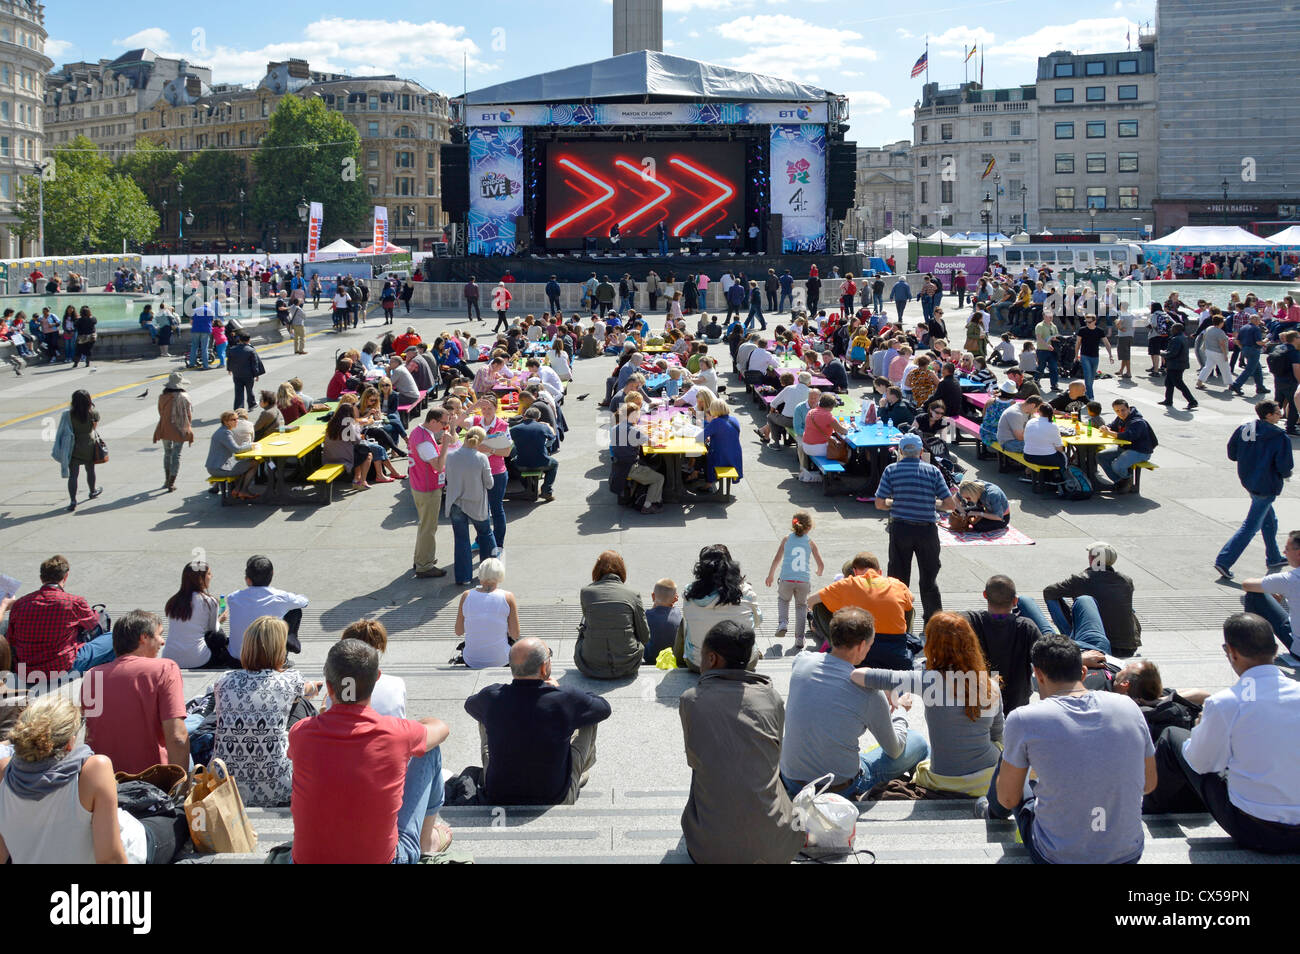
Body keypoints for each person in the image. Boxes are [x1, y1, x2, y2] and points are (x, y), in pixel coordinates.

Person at [978, 634, 1156, 864]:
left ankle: (991, 813)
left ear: (1038, 675)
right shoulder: (1128, 707)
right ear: (1083, 672)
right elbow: (1148, 784)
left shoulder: (1024, 719)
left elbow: (1009, 798)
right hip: (1127, 854)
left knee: (1012, 766)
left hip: (1056, 856)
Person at [1144, 613, 1300, 853]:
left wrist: (1200, 729)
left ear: (1231, 652)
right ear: (1276, 649)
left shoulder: (1225, 703)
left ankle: (1149, 809)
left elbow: (1200, 763)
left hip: (1258, 830)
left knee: (1172, 737)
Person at [288, 638, 452, 863]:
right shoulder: (397, 733)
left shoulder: (300, 733)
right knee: (429, 750)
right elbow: (441, 729)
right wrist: (417, 725)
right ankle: (426, 840)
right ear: (376, 678)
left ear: (328, 685)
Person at [0, 695, 187, 864]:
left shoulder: (5, 771)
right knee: (180, 817)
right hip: (130, 849)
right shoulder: (93, 769)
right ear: (70, 741)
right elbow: (110, 859)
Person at [679, 619, 804, 864]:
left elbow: (694, 759)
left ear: (712, 659)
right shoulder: (772, 697)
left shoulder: (691, 700)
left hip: (709, 854)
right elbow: (774, 755)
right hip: (777, 851)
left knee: (704, 769)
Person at [781, 606, 929, 800]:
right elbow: (894, 750)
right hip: (839, 788)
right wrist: (898, 707)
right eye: (870, 645)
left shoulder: (801, 662)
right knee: (917, 742)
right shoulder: (869, 695)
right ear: (861, 646)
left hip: (792, 780)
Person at [852, 612, 1003, 796]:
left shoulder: (929, 681)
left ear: (931, 645)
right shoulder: (990, 685)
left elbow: (858, 675)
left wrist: (891, 692)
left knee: (923, 747)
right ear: (971, 643)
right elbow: (998, 736)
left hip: (943, 778)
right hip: (986, 780)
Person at [464, 637, 611, 805]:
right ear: (543, 667)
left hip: (498, 794)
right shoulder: (565, 698)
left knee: (483, 713)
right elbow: (603, 708)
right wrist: (559, 691)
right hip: (556, 797)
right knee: (589, 715)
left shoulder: (491, 696)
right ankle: (577, 773)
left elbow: (469, 704)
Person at [212, 616, 321, 808]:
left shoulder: (223, 681)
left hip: (226, 786)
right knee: (302, 704)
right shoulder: (290, 680)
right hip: (276, 785)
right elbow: (309, 689)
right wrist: (315, 686)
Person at [81, 610, 188, 775]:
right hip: (152, 781)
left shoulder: (92, 675)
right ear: (144, 638)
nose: (162, 642)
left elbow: (91, 734)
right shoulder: (165, 668)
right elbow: (178, 737)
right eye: (159, 635)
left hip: (104, 780)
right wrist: (181, 788)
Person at [875, 434, 957, 623]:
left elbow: (879, 503)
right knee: (929, 579)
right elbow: (949, 504)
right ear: (921, 451)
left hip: (901, 529)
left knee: (898, 577)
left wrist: (895, 503)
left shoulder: (891, 470)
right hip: (927, 531)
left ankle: (896, 618)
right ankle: (934, 621)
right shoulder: (933, 471)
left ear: (900, 451)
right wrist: (930, 502)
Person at [1215, 402, 1292, 580]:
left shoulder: (1245, 428)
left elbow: (1232, 453)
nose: (1280, 414)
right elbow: (1284, 465)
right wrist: (1285, 474)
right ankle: (1224, 560)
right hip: (1267, 484)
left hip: (1249, 480)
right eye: (1277, 412)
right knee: (1250, 526)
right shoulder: (1279, 436)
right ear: (1269, 416)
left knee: (1269, 519)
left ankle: (1273, 557)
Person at [6, 555, 113, 678]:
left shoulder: (20, 604)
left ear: (41, 578)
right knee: (114, 637)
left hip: (27, 669)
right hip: (62, 667)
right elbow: (93, 625)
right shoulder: (73, 602)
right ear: (65, 576)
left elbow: (11, 639)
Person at [674, 544, 762, 672]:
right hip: (743, 664)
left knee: (685, 622)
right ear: (730, 566)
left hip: (699, 664)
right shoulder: (746, 592)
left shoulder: (690, 593)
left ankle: (679, 662)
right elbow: (758, 621)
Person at [1043, 541, 1140, 657]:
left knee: (1053, 596)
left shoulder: (1082, 579)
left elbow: (1049, 591)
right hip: (1128, 648)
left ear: (1092, 558)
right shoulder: (1126, 581)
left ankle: (1069, 638)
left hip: (1097, 647)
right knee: (1120, 602)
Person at [575, 550, 650, 679]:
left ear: (596, 569)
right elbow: (645, 635)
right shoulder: (632, 593)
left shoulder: (586, 592)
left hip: (590, 664)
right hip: (629, 664)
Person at [224, 555, 309, 659]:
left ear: (247, 579)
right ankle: (287, 648)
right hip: (269, 660)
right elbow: (304, 602)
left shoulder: (233, 597)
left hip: (237, 658)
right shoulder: (281, 597)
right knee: (295, 610)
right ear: (272, 574)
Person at [443, 426, 498, 586]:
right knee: (485, 535)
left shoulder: (451, 456)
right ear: (480, 442)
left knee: (461, 540)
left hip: (455, 503)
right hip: (476, 503)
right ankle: (488, 575)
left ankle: (463, 577)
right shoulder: (481, 458)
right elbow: (489, 484)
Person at [764, 511, 824, 649]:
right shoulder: (810, 542)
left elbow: (777, 558)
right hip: (803, 581)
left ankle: (783, 623)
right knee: (801, 607)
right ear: (809, 527)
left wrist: (771, 575)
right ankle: (799, 638)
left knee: (783, 600)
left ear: (793, 524)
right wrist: (819, 571)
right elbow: (820, 563)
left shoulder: (786, 539)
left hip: (786, 579)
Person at [162, 560, 236, 670]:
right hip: (198, 659)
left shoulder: (173, 601)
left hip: (170, 657)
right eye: (209, 574)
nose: (212, 576)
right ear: (201, 579)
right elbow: (213, 630)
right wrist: (219, 620)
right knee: (219, 637)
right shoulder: (209, 601)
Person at [1241, 530, 1300, 665]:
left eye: (1287, 549)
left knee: (1254, 594)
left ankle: (1251, 648)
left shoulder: (1291, 579)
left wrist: (1275, 594)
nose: (1284, 553)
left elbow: (1247, 584)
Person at [408, 407, 451, 579]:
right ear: (433, 421)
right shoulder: (424, 440)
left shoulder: (419, 431)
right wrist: (446, 445)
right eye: (444, 423)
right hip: (427, 488)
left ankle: (420, 558)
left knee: (424, 525)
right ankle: (425, 566)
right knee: (428, 527)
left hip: (419, 484)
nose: (445, 427)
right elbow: (438, 466)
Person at [455, 558, 519, 669]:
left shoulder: (466, 595)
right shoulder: (508, 597)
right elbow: (515, 634)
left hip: (471, 659)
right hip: (501, 659)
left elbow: (459, 631)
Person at [52, 389, 102, 512]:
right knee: (90, 469)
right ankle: (92, 491)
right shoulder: (93, 413)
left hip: (73, 446)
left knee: (73, 475)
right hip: (89, 445)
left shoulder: (68, 414)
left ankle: (73, 500)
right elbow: (94, 427)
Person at [1096, 399, 1158, 493]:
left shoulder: (1137, 422)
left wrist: (1108, 432)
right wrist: (1106, 427)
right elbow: (1112, 426)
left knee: (1117, 465)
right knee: (1100, 456)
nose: (1121, 413)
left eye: (1123, 410)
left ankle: (1127, 480)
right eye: (1117, 411)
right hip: (1124, 448)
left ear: (1128, 409)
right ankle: (1121, 481)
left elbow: (1127, 436)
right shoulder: (1120, 418)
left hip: (1140, 451)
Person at [152, 371, 194, 493]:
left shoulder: (162, 397)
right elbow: (189, 415)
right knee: (176, 454)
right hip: (180, 428)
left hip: (165, 427)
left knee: (167, 453)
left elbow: (160, 412)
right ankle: (172, 482)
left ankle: (166, 479)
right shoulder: (185, 397)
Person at [507, 406, 559, 502]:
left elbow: (508, 442)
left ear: (524, 416)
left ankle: (528, 487)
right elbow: (553, 438)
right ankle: (546, 490)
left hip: (521, 463)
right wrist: (549, 428)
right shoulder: (543, 427)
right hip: (542, 462)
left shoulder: (514, 429)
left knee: (512, 463)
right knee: (554, 464)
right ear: (538, 418)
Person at [206, 409, 258, 499]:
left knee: (244, 463)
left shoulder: (224, 430)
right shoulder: (225, 432)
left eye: (237, 419)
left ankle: (237, 490)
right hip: (219, 469)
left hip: (215, 466)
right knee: (254, 463)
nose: (236, 421)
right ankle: (243, 490)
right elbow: (237, 450)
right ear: (226, 422)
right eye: (233, 420)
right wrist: (251, 446)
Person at [1157, 323, 1198, 410]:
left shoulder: (1176, 339)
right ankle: (1168, 400)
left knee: (1179, 384)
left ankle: (1192, 401)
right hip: (1179, 364)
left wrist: (1162, 353)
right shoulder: (1182, 337)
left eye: (1172, 328)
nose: (1171, 329)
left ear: (1176, 330)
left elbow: (1172, 353)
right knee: (1169, 383)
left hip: (1176, 365)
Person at [644, 579, 681, 663]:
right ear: (675, 599)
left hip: (651, 658)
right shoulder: (677, 613)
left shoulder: (646, 615)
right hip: (672, 657)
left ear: (653, 596)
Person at [1022, 403, 1067, 470]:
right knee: (1063, 457)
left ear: (1039, 412)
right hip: (1047, 458)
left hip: (1028, 456)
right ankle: (1061, 476)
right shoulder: (1053, 426)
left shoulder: (1030, 421)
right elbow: (1059, 448)